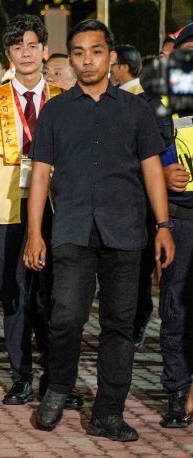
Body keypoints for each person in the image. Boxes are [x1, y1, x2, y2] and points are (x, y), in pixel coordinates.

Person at [25, 19, 174, 442]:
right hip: (71, 228)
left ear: (111, 56)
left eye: (95, 51)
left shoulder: (136, 109)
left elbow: (151, 170)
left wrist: (163, 226)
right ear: (69, 58)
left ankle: (109, 412)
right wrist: (35, 232)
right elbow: (39, 175)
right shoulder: (55, 110)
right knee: (66, 317)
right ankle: (58, 387)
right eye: (77, 52)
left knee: (119, 324)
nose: (86, 60)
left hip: (126, 231)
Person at [0, 15, 71, 406]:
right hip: (7, 208)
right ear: (9, 54)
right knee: (14, 295)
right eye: (16, 47)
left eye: (31, 46)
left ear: (44, 51)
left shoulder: (63, 98)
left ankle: (55, 380)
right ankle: (21, 376)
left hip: (58, 208)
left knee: (55, 296)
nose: (24, 54)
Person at [158, 23, 193, 428]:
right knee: (175, 311)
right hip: (180, 219)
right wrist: (162, 174)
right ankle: (176, 392)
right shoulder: (157, 104)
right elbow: (138, 157)